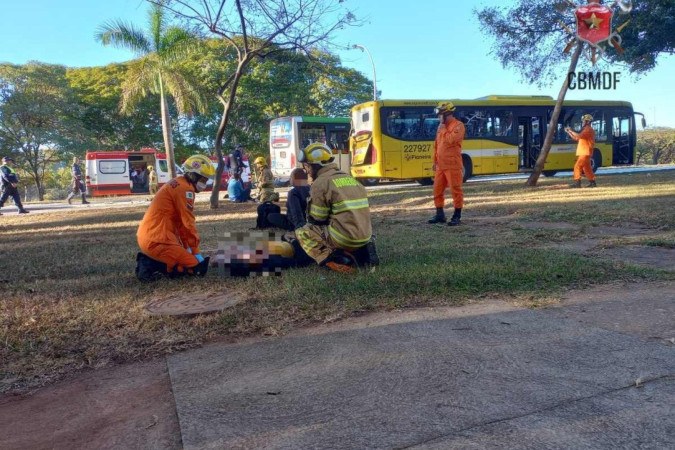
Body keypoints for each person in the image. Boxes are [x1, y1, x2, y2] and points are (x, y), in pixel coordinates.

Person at [295, 143, 378, 274]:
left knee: (303, 232)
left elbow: (317, 219)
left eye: (307, 166)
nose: (306, 171)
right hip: (365, 235)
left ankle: (333, 259)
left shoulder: (321, 183)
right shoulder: (350, 178)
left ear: (315, 165)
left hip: (343, 238)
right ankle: (363, 250)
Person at [135, 154, 215, 281]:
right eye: (203, 180)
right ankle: (148, 264)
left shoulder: (179, 183)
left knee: (191, 262)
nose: (204, 183)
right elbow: (188, 223)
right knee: (195, 269)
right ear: (194, 176)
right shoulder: (185, 190)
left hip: (154, 236)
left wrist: (189, 248)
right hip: (158, 240)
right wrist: (195, 250)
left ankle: (159, 261)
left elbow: (181, 224)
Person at [429, 101, 466, 226]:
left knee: (456, 190)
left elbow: (451, 140)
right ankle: (440, 215)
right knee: (437, 190)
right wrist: (435, 161)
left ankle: (457, 215)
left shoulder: (458, 125)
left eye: (440, 114)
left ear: (447, 114)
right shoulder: (441, 127)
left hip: (452, 165)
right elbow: (437, 145)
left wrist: (443, 129)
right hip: (440, 165)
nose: (439, 117)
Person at [566, 114, 597, 188]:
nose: (582, 122)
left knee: (577, 166)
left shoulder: (588, 130)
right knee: (587, 168)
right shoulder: (586, 129)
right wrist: (569, 132)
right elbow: (577, 138)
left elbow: (579, 136)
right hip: (585, 152)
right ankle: (592, 182)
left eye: (583, 121)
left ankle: (577, 183)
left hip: (585, 152)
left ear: (587, 122)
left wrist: (570, 130)